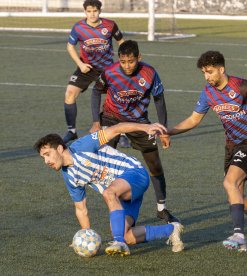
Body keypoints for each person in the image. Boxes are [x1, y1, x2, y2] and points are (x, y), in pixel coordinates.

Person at [164, 51, 247, 252]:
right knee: (235, 196)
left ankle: (238, 235)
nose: (206, 77)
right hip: (232, 146)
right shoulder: (207, 94)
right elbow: (193, 120)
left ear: (221, 69)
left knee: (229, 182)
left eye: (209, 72)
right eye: (203, 73)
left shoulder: (242, 86)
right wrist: (169, 132)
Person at [34, 122, 184, 256]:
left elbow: (117, 128)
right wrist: (86, 235)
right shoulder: (69, 176)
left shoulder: (83, 146)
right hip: (122, 195)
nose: (46, 161)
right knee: (127, 236)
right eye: (43, 158)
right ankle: (171, 230)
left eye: (48, 155)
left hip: (134, 173)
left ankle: (119, 242)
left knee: (109, 193)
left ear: (60, 149)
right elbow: (81, 209)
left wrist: (145, 127)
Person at [91, 40, 179, 223]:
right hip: (111, 118)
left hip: (139, 122)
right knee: (105, 163)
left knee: (155, 164)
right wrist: (95, 122)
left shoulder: (149, 73)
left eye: (131, 61)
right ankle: (115, 205)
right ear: (119, 59)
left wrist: (163, 130)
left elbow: (159, 100)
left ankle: (162, 208)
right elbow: (95, 91)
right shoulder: (110, 72)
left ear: (139, 57)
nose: (127, 66)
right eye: (123, 62)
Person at [62, 0, 126, 144]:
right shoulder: (79, 27)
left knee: (115, 99)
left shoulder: (110, 25)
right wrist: (80, 64)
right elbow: (70, 47)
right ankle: (71, 131)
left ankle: (121, 133)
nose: (92, 14)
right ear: (85, 12)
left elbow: (122, 42)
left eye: (95, 11)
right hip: (86, 68)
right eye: (89, 11)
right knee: (70, 93)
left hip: (107, 69)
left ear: (100, 11)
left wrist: (123, 63)